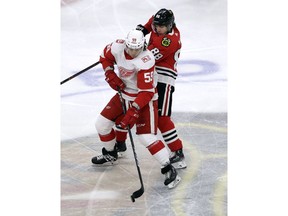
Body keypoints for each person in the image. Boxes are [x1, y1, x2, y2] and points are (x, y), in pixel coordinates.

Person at [91, 29, 181, 188]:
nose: (133, 52)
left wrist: (133, 111)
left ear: (143, 46)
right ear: (126, 44)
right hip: (124, 94)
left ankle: (168, 167)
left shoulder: (146, 59)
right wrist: (109, 73)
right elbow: (104, 57)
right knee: (101, 124)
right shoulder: (117, 46)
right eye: (131, 48)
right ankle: (111, 153)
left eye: (137, 48)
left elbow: (146, 92)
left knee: (145, 137)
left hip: (145, 100)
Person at [115, 8, 187, 169]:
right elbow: (146, 28)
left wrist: (127, 53)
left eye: (162, 26)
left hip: (164, 79)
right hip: (150, 75)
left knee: (162, 117)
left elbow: (146, 57)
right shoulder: (156, 23)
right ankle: (118, 142)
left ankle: (178, 152)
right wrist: (137, 37)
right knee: (126, 105)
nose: (157, 28)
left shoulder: (169, 41)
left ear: (170, 25)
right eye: (157, 25)